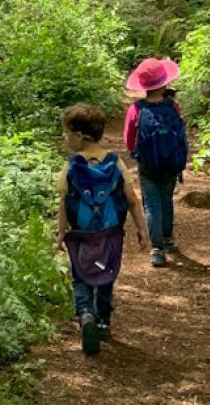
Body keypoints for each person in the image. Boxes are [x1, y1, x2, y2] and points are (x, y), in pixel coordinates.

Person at [55, 103, 147, 356]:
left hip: (82, 234)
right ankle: (103, 321)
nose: (66, 139)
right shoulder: (115, 163)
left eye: (66, 134)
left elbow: (63, 201)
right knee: (106, 274)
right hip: (111, 233)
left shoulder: (71, 165)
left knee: (81, 276)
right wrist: (142, 229)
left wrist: (61, 232)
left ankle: (85, 313)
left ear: (79, 135)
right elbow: (131, 199)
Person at [123, 57, 189, 268]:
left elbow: (128, 139)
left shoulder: (137, 109)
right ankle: (168, 239)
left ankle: (157, 249)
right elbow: (181, 136)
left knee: (151, 205)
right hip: (171, 164)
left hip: (148, 166)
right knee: (166, 200)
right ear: (164, 82)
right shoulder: (174, 106)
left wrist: (136, 152)